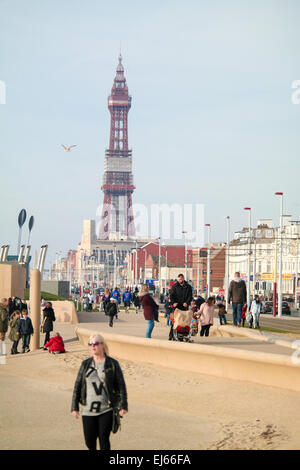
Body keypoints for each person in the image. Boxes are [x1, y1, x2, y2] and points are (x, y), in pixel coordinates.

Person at [71, 334, 128, 451]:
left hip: (106, 409)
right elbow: (77, 385)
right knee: (89, 441)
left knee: (104, 439)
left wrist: (123, 405)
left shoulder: (112, 364)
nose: (93, 346)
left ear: (102, 345)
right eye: (90, 344)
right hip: (88, 410)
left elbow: (121, 385)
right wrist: (74, 406)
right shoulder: (85, 364)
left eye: (96, 343)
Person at [169, 274, 193, 340]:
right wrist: (173, 303)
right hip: (177, 306)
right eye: (179, 279)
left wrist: (187, 303)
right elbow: (171, 295)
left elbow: (190, 296)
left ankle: (184, 335)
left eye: (181, 279)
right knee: (175, 321)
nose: (180, 280)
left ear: (183, 278)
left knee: (185, 321)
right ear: (177, 279)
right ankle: (172, 335)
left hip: (184, 306)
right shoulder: (174, 286)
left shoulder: (188, 287)